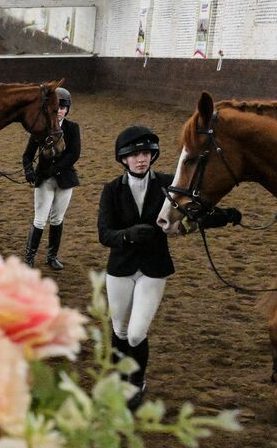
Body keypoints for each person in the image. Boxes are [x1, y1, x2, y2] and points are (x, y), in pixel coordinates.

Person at [98, 126, 240, 408]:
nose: (141, 159)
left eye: (146, 153)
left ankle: (137, 382)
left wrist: (225, 216)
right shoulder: (111, 190)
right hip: (120, 268)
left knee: (136, 333)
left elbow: (193, 211)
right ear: (124, 159)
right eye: (135, 155)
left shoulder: (167, 184)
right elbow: (104, 234)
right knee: (120, 331)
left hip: (154, 268)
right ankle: (119, 379)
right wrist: (127, 235)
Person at [21, 86, 80, 271]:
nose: (60, 111)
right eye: (58, 107)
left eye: (63, 108)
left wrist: (53, 170)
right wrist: (28, 170)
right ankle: (29, 257)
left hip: (64, 180)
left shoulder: (72, 128)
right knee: (40, 219)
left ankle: (52, 256)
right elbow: (28, 155)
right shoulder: (41, 128)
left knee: (57, 219)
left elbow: (74, 154)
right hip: (44, 181)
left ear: (67, 109)